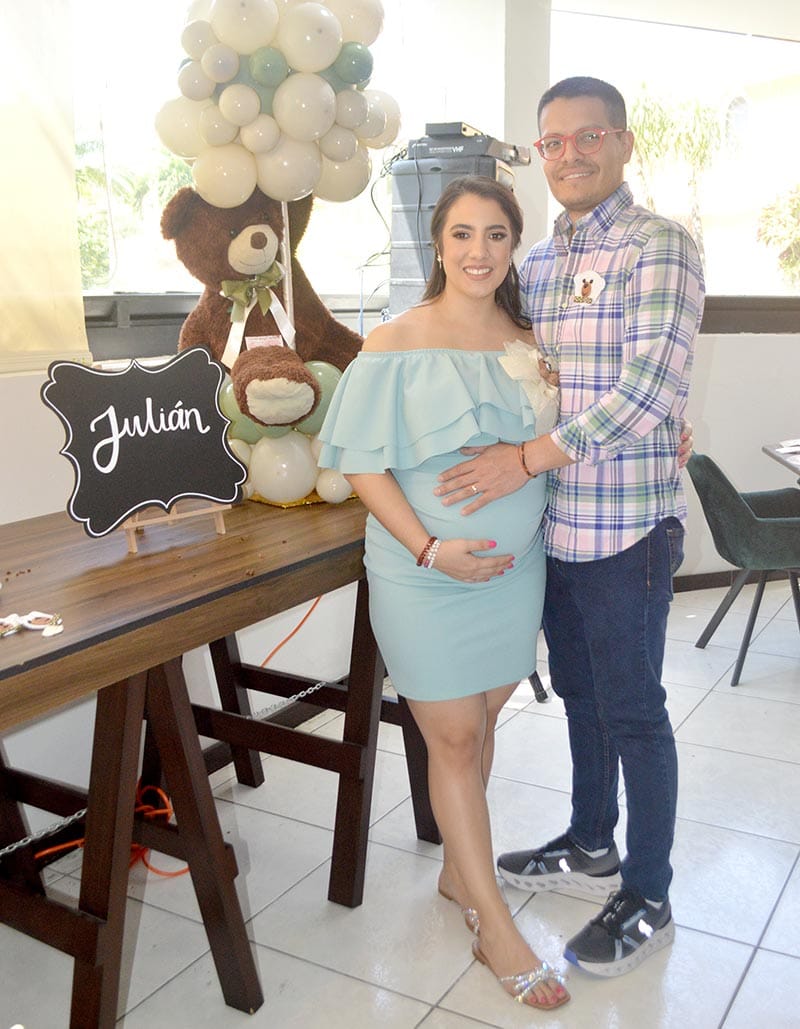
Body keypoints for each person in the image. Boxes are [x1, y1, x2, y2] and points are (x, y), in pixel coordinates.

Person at [434, 76, 705, 978]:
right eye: (553, 142)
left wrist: (526, 458)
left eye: (589, 136)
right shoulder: (539, 263)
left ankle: (650, 892)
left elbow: (649, 390)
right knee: (581, 699)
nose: (570, 154)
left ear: (623, 142)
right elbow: (514, 375)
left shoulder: (658, 244)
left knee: (634, 711)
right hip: (552, 531)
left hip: (626, 530)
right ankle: (592, 843)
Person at [317, 175, 569, 1010]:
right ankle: (494, 926)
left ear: (514, 245)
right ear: (437, 243)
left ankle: (461, 874)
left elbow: (572, 431)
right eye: (463, 233)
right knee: (454, 738)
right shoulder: (395, 341)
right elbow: (361, 464)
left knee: (484, 720)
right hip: (421, 573)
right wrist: (430, 549)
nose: (479, 251)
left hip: (512, 575)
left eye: (496, 234)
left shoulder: (532, 340)